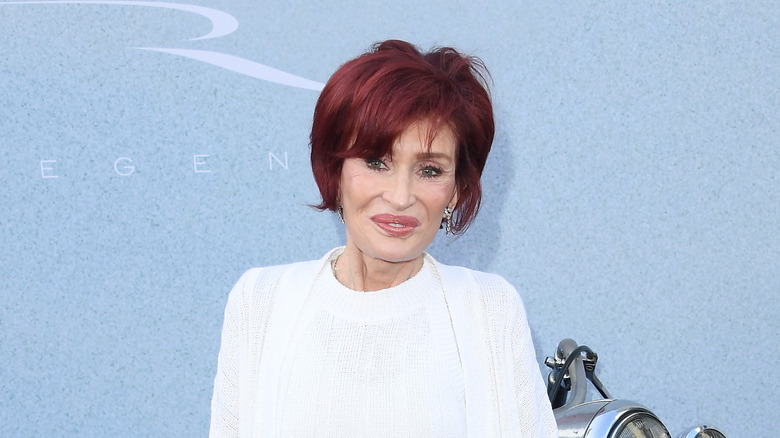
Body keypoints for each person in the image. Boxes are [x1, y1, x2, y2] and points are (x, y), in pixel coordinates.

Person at [209, 39, 557, 438]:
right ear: (334, 171)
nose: (400, 196)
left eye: (429, 170)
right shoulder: (261, 301)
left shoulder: (488, 309)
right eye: (377, 162)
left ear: (457, 188)